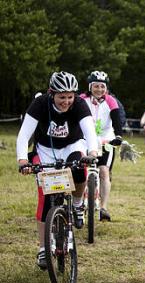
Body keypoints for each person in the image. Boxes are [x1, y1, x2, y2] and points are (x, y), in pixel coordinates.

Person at [16, 71, 98, 269]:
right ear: (51, 93)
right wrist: (22, 161)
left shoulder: (79, 104)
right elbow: (23, 135)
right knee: (45, 198)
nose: (66, 101)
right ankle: (44, 248)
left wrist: (93, 152)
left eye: (70, 96)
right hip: (45, 150)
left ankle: (78, 204)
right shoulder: (40, 104)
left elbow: (89, 130)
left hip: (72, 145)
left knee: (79, 169)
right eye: (62, 97)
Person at [80, 70, 124, 222]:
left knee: (104, 171)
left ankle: (104, 207)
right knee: (80, 171)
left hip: (106, 140)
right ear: (90, 86)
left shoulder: (111, 101)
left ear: (106, 88)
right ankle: (78, 202)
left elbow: (117, 118)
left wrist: (118, 135)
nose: (99, 89)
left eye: (102, 87)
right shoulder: (81, 99)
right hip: (85, 140)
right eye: (96, 86)